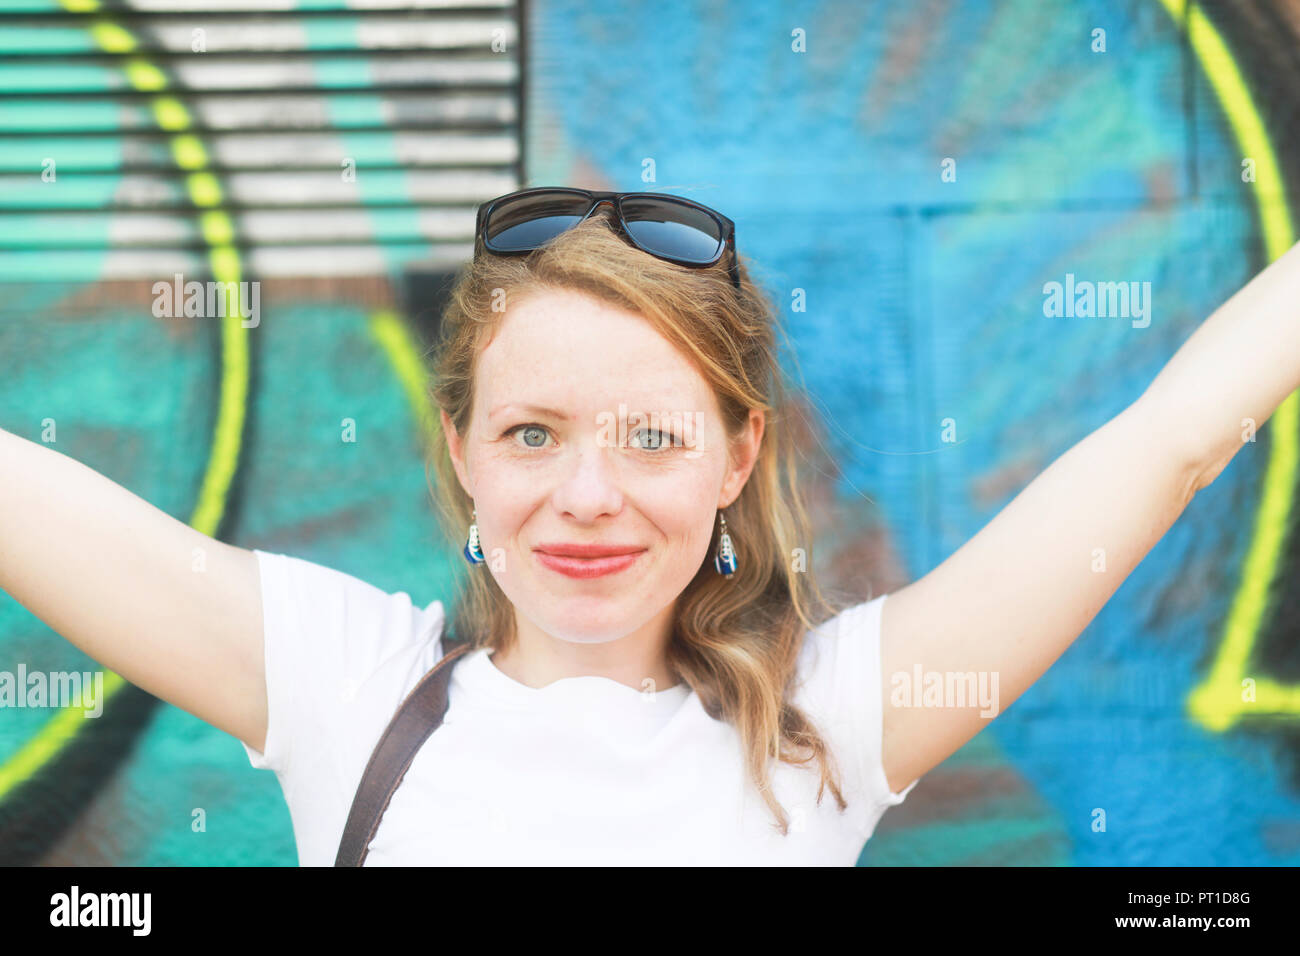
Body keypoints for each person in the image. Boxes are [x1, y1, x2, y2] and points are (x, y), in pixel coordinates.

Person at [2, 188, 1297, 865]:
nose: (586, 495)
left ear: (738, 454)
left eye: (652, 437)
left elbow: (1173, 440)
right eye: (532, 433)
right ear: (459, 448)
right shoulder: (347, 685)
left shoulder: (827, 721)